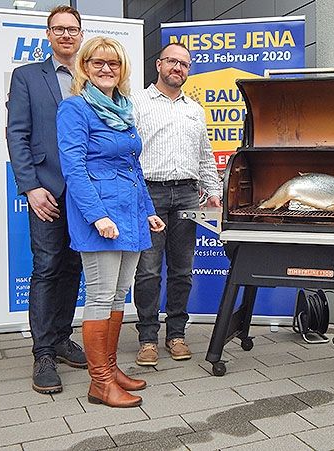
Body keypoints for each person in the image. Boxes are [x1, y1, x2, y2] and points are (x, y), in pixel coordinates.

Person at [57, 36, 165, 408]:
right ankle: (99, 382)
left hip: (131, 213)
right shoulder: (74, 109)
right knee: (101, 297)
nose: (106, 69)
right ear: (84, 68)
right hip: (100, 214)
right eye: (98, 63)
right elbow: (74, 168)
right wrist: (98, 215)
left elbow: (134, 166)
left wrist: (148, 209)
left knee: (120, 295)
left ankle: (111, 368)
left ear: (122, 70)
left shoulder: (123, 108)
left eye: (113, 64)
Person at [6, 5, 87, 395]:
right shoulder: (27, 77)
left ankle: (61, 337)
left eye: (73, 29)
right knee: (48, 266)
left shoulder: (91, 78)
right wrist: (31, 186)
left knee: (73, 267)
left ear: (81, 34)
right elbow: (17, 134)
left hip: (84, 193)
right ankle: (42, 353)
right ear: (49, 34)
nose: (67, 35)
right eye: (59, 29)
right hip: (47, 189)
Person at [130, 42, 221, 366]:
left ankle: (176, 334)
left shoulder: (194, 110)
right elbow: (127, 153)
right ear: (158, 64)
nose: (177, 68)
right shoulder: (136, 103)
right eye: (172, 61)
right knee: (148, 271)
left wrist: (213, 191)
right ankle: (147, 339)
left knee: (182, 270)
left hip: (186, 194)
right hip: (149, 194)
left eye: (184, 64)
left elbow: (205, 156)